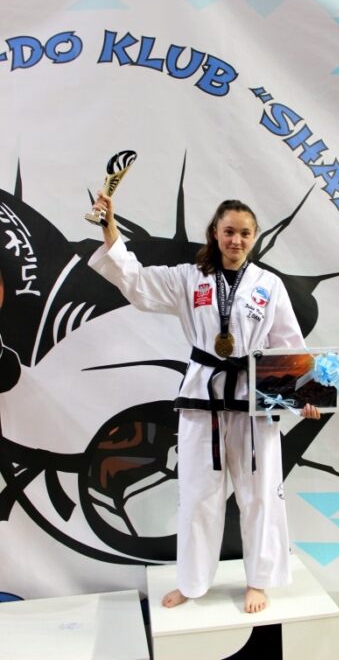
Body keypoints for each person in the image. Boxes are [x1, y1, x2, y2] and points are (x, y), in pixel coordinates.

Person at [88, 192, 320, 614]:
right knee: (197, 494)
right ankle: (192, 582)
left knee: (260, 494)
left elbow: (289, 344)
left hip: (253, 401)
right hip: (202, 398)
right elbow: (137, 282)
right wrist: (109, 228)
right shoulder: (188, 278)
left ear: (255, 237)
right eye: (229, 231)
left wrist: (307, 394)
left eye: (244, 233)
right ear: (215, 233)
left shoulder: (268, 285)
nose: (236, 240)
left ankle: (259, 581)